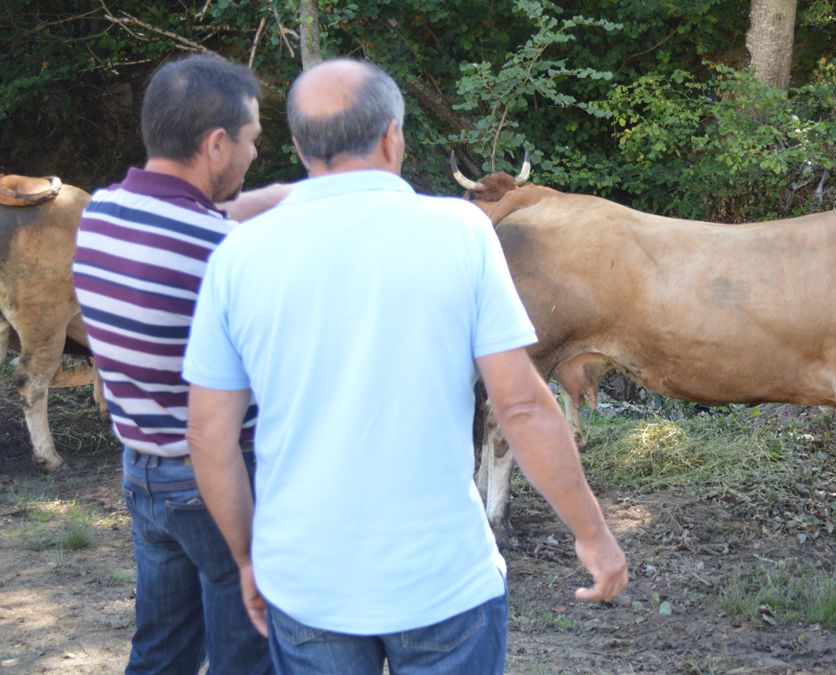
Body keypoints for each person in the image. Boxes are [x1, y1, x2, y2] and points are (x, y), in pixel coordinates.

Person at [182, 57, 628, 674]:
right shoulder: (461, 232)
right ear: (393, 136)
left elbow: (208, 434)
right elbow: (520, 405)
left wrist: (247, 559)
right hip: (443, 582)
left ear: (300, 144)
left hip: (309, 584)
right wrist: (593, 534)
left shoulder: (239, 253)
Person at [72, 53, 290, 674]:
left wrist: (268, 198)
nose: (253, 155)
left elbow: (189, 224)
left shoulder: (102, 214)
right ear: (216, 144)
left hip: (144, 473)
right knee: (245, 657)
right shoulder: (226, 254)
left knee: (161, 651)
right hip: (219, 479)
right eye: (250, 142)